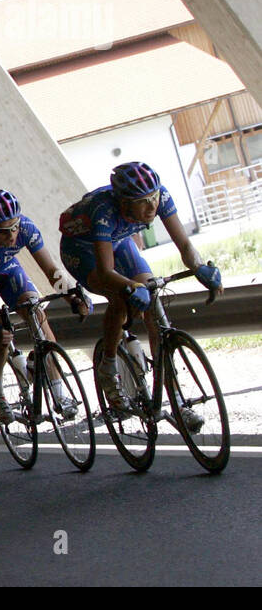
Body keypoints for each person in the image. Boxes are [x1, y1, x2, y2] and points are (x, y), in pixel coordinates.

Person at [58, 162, 219, 425]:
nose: (152, 206)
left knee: (153, 301)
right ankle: (108, 366)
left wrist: (200, 267)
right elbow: (107, 272)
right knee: (120, 297)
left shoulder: (160, 196)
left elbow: (185, 244)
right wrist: (129, 287)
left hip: (120, 242)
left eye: (154, 198)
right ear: (123, 202)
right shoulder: (103, 211)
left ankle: (176, 401)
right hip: (82, 250)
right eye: (143, 202)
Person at [0, 189, 88, 425]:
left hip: (7, 268)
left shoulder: (26, 228)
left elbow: (51, 271)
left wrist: (72, 297)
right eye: (3, 232)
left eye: (14, 227)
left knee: (37, 313)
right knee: (1, 337)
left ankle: (59, 393)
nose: (11, 235)